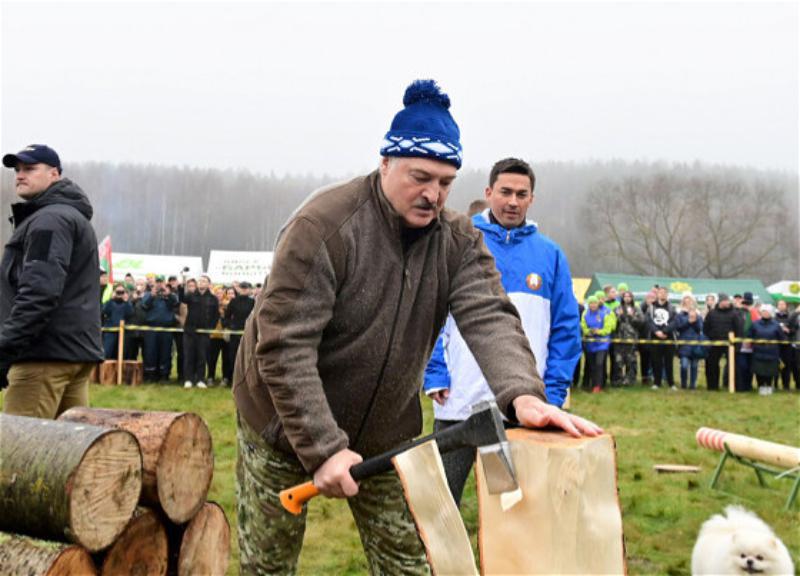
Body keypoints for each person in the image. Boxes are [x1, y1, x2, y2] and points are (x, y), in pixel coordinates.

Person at [231, 79, 602, 575]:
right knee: (267, 568)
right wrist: (323, 448)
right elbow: (282, 346)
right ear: (385, 163)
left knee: (413, 567)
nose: (433, 194)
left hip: (387, 439)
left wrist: (523, 395)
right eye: (420, 177)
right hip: (279, 426)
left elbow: (489, 315)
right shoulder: (323, 228)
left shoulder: (457, 241)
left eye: (446, 182)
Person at [422, 157, 581, 505]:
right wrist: (435, 371)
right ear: (489, 192)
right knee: (441, 502)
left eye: (521, 194)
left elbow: (566, 330)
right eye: (505, 192)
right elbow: (428, 310)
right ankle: (433, 561)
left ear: (531, 199)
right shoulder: (458, 242)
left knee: (508, 503)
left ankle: (502, 560)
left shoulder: (550, 255)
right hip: (460, 400)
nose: (513, 201)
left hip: (523, 406)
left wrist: (552, 393)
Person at [0, 144, 103, 418]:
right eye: (17, 170)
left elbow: (39, 293)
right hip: (72, 352)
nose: (20, 175)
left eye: (30, 169)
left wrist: (5, 349)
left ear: (54, 174)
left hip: (43, 355)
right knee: (69, 454)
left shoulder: (49, 221)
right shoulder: (66, 216)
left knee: (19, 455)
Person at [181, 275, 219, 389]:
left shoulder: (213, 298)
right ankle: (188, 379)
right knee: (189, 356)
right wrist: (183, 283)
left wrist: (210, 328)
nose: (201, 283)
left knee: (202, 356)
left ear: (208, 284)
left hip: (204, 332)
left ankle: (200, 379)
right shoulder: (191, 296)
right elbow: (182, 298)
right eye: (200, 281)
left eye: (204, 281)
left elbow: (215, 315)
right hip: (190, 331)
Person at [141, 277, 179, 381]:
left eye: (161, 282)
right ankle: (150, 374)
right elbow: (143, 306)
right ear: (154, 283)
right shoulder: (149, 294)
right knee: (150, 351)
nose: (159, 284)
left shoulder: (171, 294)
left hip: (166, 328)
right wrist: (152, 296)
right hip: (151, 328)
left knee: (166, 352)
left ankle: (164, 374)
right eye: (157, 282)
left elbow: (175, 304)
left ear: (164, 283)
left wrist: (168, 294)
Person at [702, 293, 741, 391]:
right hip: (714, 343)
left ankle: (732, 385)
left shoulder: (734, 313)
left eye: (727, 301)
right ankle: (712, 386)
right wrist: (710, 338)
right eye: (725, 301)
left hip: (730, 344)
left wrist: (737, 345)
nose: (726, 303)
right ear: (720, 301)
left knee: (733, 366)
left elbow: (739, 330)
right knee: (711, 365)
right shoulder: (712, 313)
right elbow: (705, 328)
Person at [581, 295, 615, 393]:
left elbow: (608, 328)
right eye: (591, 303)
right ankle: (592, 384)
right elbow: (583, 326)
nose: (593, 305)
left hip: (602, 343)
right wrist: (589, 331)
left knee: (599, 364)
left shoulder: (604, 313)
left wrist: (599, 332)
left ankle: (598, 386)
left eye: (594, 303)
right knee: (591, 365)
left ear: (597, 304)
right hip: (590, 343)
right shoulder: (585, 313)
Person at [747, 304, 784, 395]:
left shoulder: (776, 325)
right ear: (761, 312)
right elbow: (749, 336)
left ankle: (768, 386)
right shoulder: (755, 324)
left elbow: (782, 338)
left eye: (767, 311)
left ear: (771, 313)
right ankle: (761, 386)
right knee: (759, 371)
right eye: (763, 311)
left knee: (770, 371)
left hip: (772, 352)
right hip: (758, 352)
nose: (765, 313)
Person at [223, 281, 254, 387]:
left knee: (248, 358)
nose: (244, 290)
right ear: (239, 289)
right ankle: (233, 380)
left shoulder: (253, 302)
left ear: (250, 289)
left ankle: (247, 381)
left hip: (248, 334)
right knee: (233, 357)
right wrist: (229, 326)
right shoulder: (233, 301)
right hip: (235, 333)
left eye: (246, 288)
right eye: (242, 288)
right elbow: (226, 317)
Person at [646, 286, 677, 390]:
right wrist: (657, 331)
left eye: (665, 292)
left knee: (669, 362)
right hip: (655, 338)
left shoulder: (672, 307)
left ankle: (671, 383)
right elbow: (648, 321)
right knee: (656, 362)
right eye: (661, 292)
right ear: (657, 294)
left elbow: (674, 322)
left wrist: (664, 331)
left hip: (668, 338)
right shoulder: (651, 307)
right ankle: (657, 383)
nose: (662, 294)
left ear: (667, 295)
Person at [613, 290, 643, 387]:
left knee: (631, 361)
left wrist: (632, 317)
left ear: (632, 298)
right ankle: (618, 380)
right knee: (618, 361)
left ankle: (630, 380)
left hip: (631, 338)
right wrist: (619, 316)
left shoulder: (636, 309)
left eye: (629, 296)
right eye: (625, 296)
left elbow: (641, 322)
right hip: (619, 339)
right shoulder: (617, 308)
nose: (627, 298)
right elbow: (613, 322)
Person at [675, 294, 704, 390]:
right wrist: (689, 322)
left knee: (694, 365)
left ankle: (693, 385)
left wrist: (695, 320)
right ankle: (683, 384)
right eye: (685, 300)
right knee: (684, 365)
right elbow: (678, 328)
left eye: (689, 300)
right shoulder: (680, 315)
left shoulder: (698, 315)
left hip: (695, 343)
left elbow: (699, 328)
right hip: (684, 343)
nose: (687, 302)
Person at [101, 284, 134, 359]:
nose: (120, 294)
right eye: (118, 292)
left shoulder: (127, 303)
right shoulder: (109, 302)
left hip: (122, 332)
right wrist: (111, 299)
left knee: (121, 354)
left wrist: (126, 301)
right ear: (114, 292)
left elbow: (130, 313)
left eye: (122, 292)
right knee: (107, 353)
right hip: (110, 332)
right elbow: (104, 311)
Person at [735, 291, 756, 392]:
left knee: (750, 367)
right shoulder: (737, 313)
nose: (746, 305)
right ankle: (740, 386)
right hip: (740, 344)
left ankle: (748, 386)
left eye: (748, 304)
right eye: (745, 303)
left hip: (751, 344)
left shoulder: (754, 313)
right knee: (741, 366)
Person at [774, 299, 795, 391]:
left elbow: (795, 330)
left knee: (786, 366)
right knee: (776, 365)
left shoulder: (790, 317)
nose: (781, 306)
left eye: (783, 304)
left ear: (786, 306)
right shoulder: (773, 317)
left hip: (787, 345)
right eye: (779, 304)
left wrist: (789, 330)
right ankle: (775, 385)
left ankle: (786, 385)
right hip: (776, 345)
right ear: (777, 306)